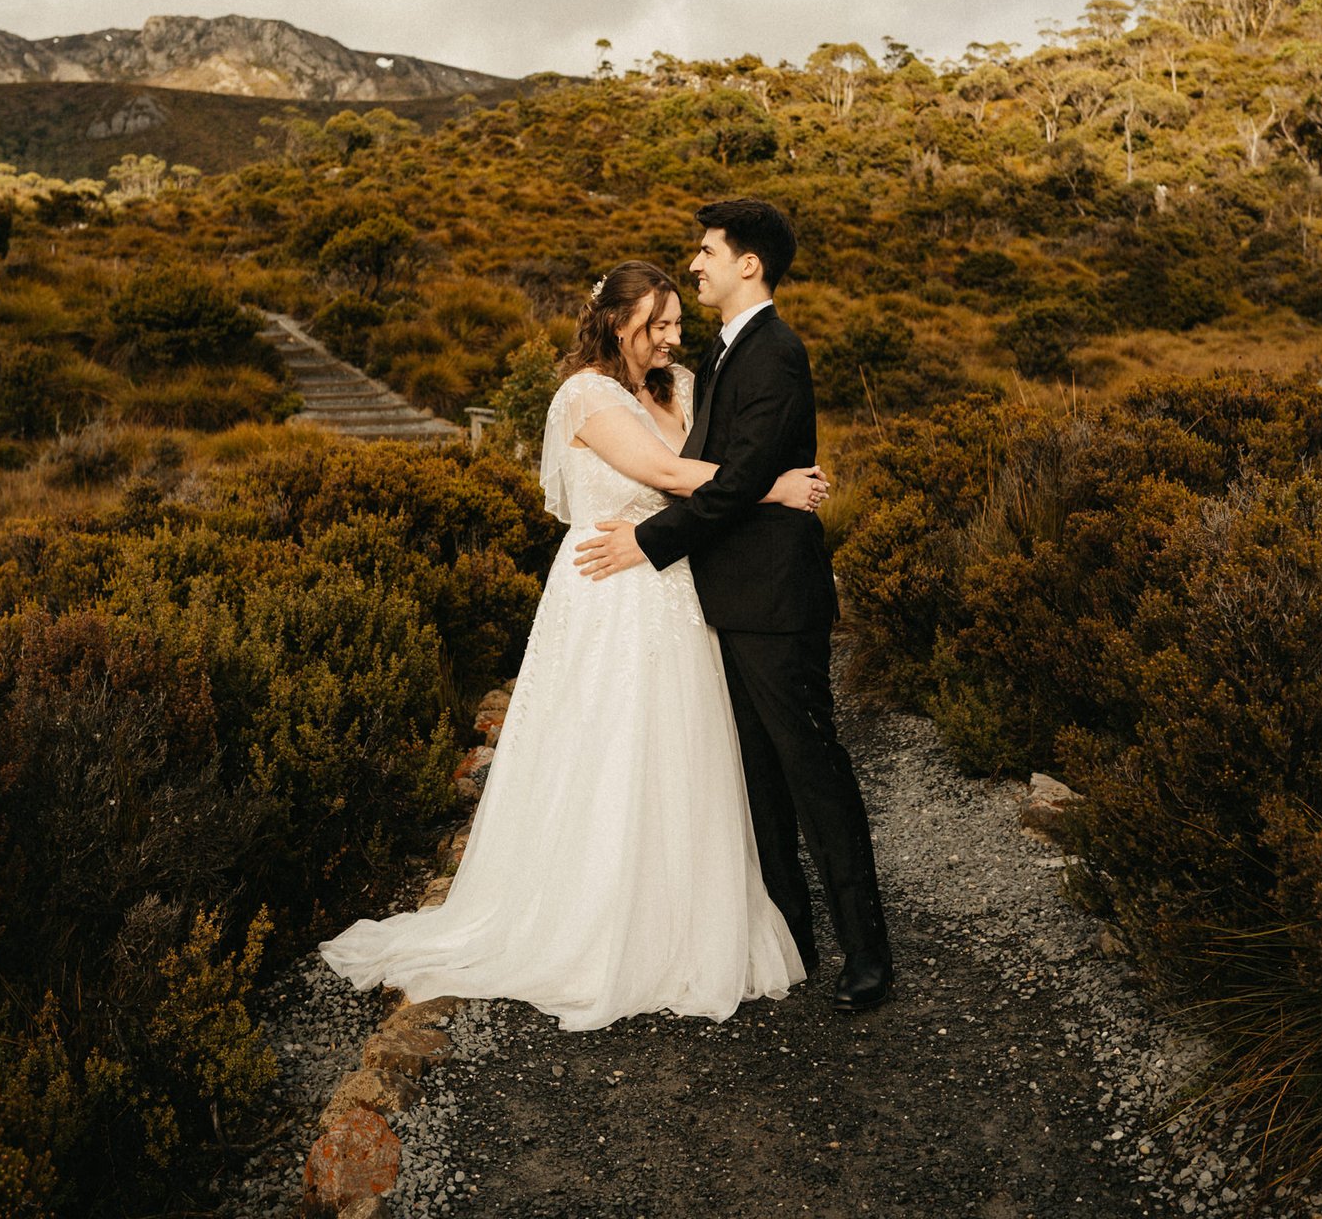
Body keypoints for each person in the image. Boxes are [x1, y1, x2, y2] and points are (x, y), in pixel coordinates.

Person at [318, 259, 832, 1029]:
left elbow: (720, 460)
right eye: (655, 327)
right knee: (606, 746)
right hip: (608, 589)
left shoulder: (685, 386)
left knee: (683, 747)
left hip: (672, 579)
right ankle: (590, 915)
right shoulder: (583, 395)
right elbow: (662, 469)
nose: (669, 339)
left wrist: (760, 476)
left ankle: (684, 914)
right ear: (616, 322)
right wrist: (774, 487)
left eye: (675, 326)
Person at [574, 199, 894, 1013]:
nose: (697, 262)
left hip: (776, 600)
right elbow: (725, 469)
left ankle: (868, 953)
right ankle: (791, 938)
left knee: (813, 771)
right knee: (759, 782)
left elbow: (741, 476)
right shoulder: (720, 354)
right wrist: (771, 484)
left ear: (748, 263)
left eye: (709, 250)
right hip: (725, 597)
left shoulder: (775, 353)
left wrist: (649, 544)